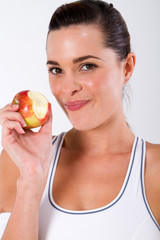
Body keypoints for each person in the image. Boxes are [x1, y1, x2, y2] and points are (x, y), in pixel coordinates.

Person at [0, 0, 160, 239]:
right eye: (56, 70)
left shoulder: (154, 170)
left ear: (126, 68)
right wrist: (32, 178)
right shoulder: (17, 164)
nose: (67, 88)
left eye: (87, 66)